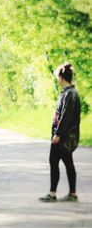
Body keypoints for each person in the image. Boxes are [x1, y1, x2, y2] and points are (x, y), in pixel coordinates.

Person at [39, 63, 81, 202]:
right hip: (64, 136)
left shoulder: (70, 94)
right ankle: (72, 193)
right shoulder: (68, 92)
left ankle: (53, 194)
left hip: (64, 137)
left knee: (55, 161)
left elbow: (66, 116)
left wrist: (57, 134)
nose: (57, 79)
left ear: (62, 78)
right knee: (67, 162)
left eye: (58, 77)